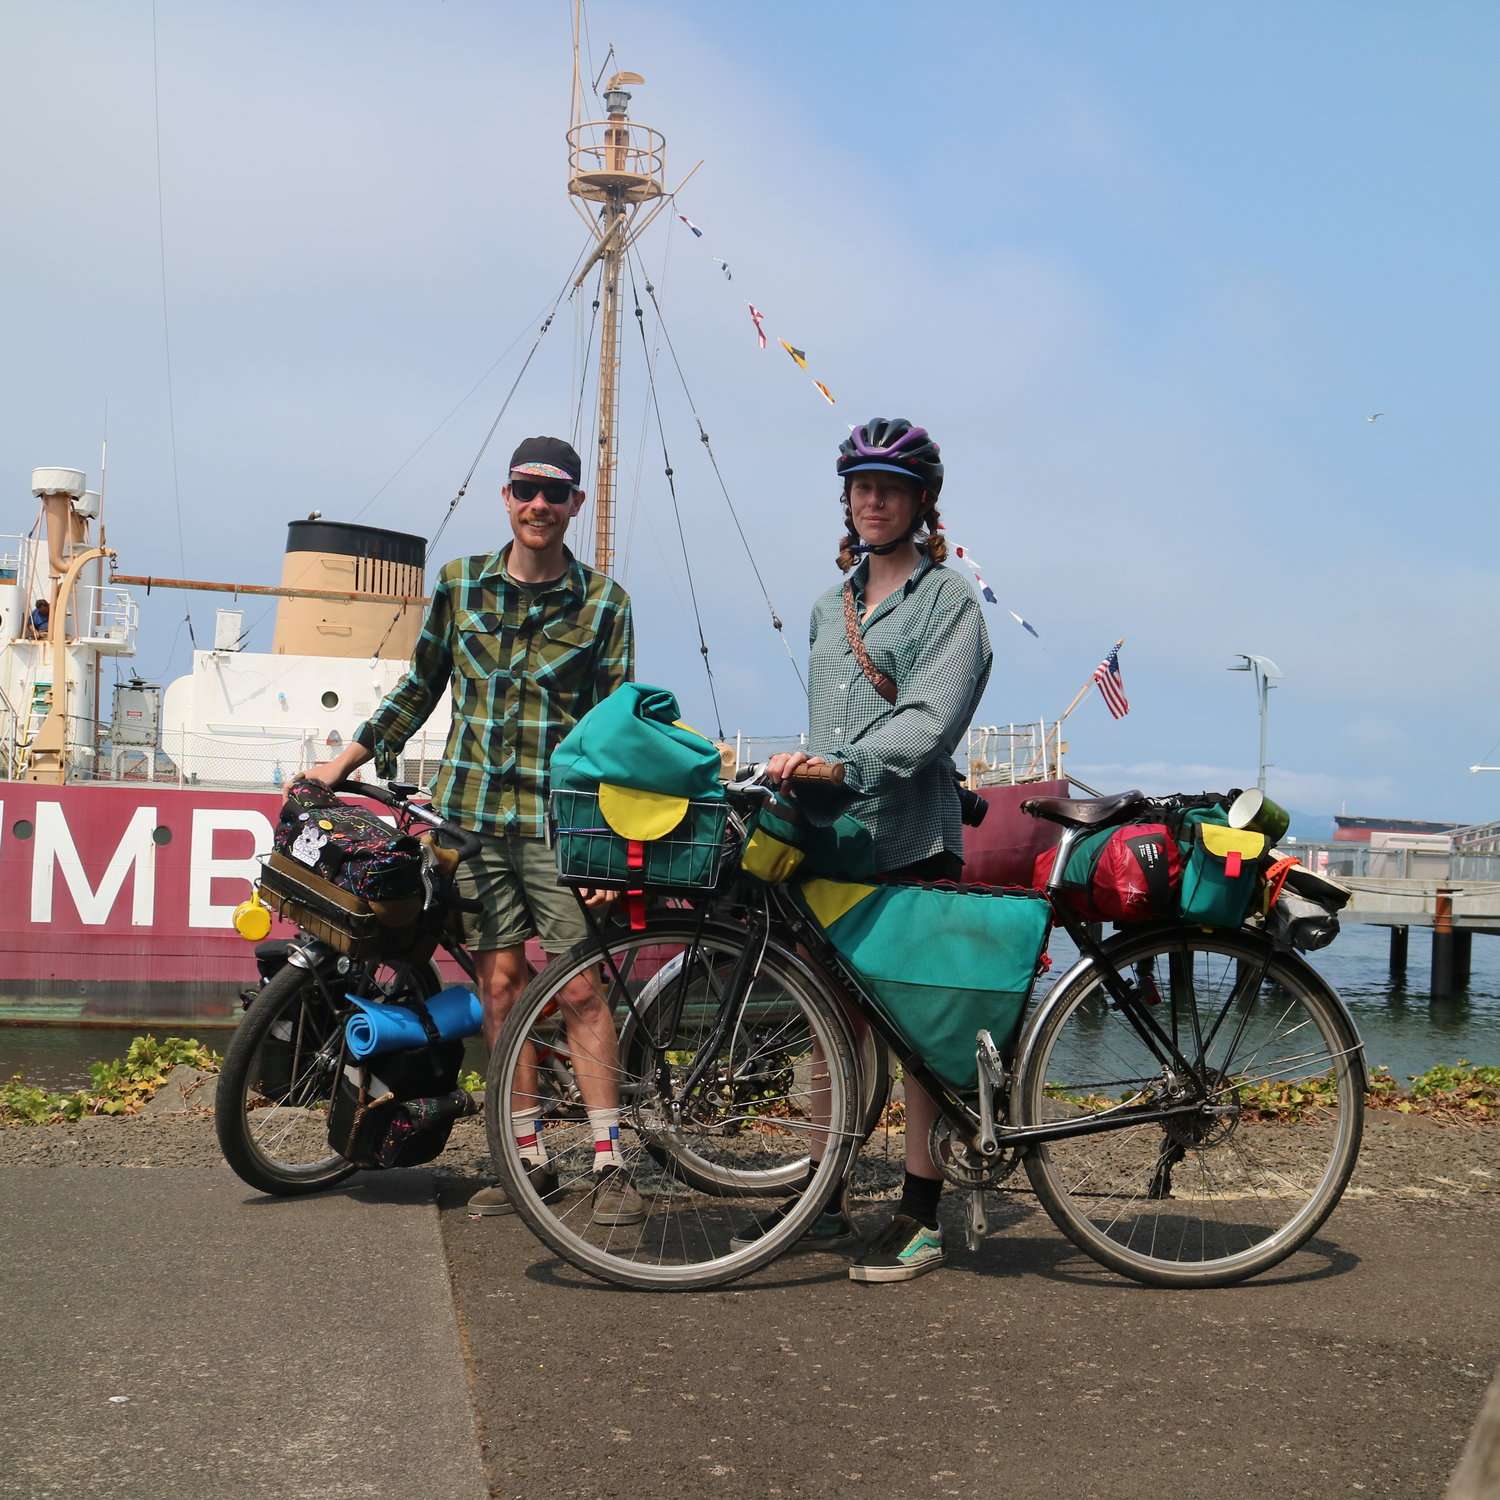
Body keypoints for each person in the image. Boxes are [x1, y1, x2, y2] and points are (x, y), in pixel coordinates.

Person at [307, 436, 643, 1224]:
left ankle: (610, 1162)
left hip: (560, 827)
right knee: (500, 988)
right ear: (506, 496)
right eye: (526, 490)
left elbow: (617, 734)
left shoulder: (605, 604)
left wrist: (611, 845)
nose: (539, 505)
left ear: (575, 505)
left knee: (582, 989)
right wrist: (341, 762)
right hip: (474, 825)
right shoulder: (460, 585)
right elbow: (420, 686)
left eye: (554, 494)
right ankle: (527, 1163)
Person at [733, 417, 992, 1283]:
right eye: (861, 487)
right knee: (827, 1022)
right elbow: (824, 723)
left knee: (917, 1034)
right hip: (831, 838)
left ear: (923, 502)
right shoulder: (827, 606)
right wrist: (805, 775)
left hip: (911, 833)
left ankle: (920, 1212)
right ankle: (823, 1195)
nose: (873, 501)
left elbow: (930, 720)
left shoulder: (950, 601)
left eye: (891, 488)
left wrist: (844, 765)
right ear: (846, 499)